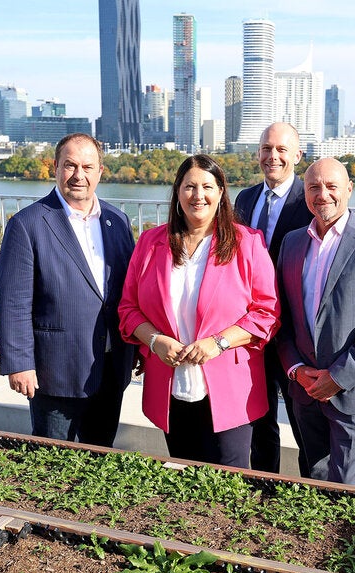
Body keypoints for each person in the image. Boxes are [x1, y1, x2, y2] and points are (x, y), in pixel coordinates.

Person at [118, 154, 280, 468]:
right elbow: (129, 308)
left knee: (229, 486)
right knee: (185, 484)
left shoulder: (247, 243)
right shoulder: (151, 243)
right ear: (177, 193)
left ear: (221, 193)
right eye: (189, 186)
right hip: (171, 386)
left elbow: (266, 313)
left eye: (207, 186)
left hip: (230, 393)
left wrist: (217, 342)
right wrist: (155, 342)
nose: (198, 195)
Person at [0, 132, 136, 446]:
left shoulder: (118, 220)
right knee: (53, 466)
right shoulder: (28, 224)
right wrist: (20, 364)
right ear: (56, 168)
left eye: (88, 167)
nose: (79, 175)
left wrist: (138, 346)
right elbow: (13, 302)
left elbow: (129, 290)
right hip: (55, 373)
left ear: (101, 171)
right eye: (70, 166)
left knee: (100, 459)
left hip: (110, 368)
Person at [275, 157, 355, 486]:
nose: (323, 194)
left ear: (348, 189)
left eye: (331, 186)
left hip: (354, 391)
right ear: (304, 192)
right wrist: (295, 369)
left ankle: (345, 539)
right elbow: (283, 317)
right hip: (305, 388)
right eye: (314, 187)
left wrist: (338, 376)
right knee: (314, 478)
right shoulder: (291, 242)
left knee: (346, 484)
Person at [234, 122, 314, 474]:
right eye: (267, 148)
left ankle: (310, 491)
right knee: (259, 416)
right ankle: (266, 486)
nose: (273, 156)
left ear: (297, 155)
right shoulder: (244, 199)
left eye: (282, 150)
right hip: (252, 328)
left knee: (304, 422)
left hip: (294, 331)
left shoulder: (310, 199)